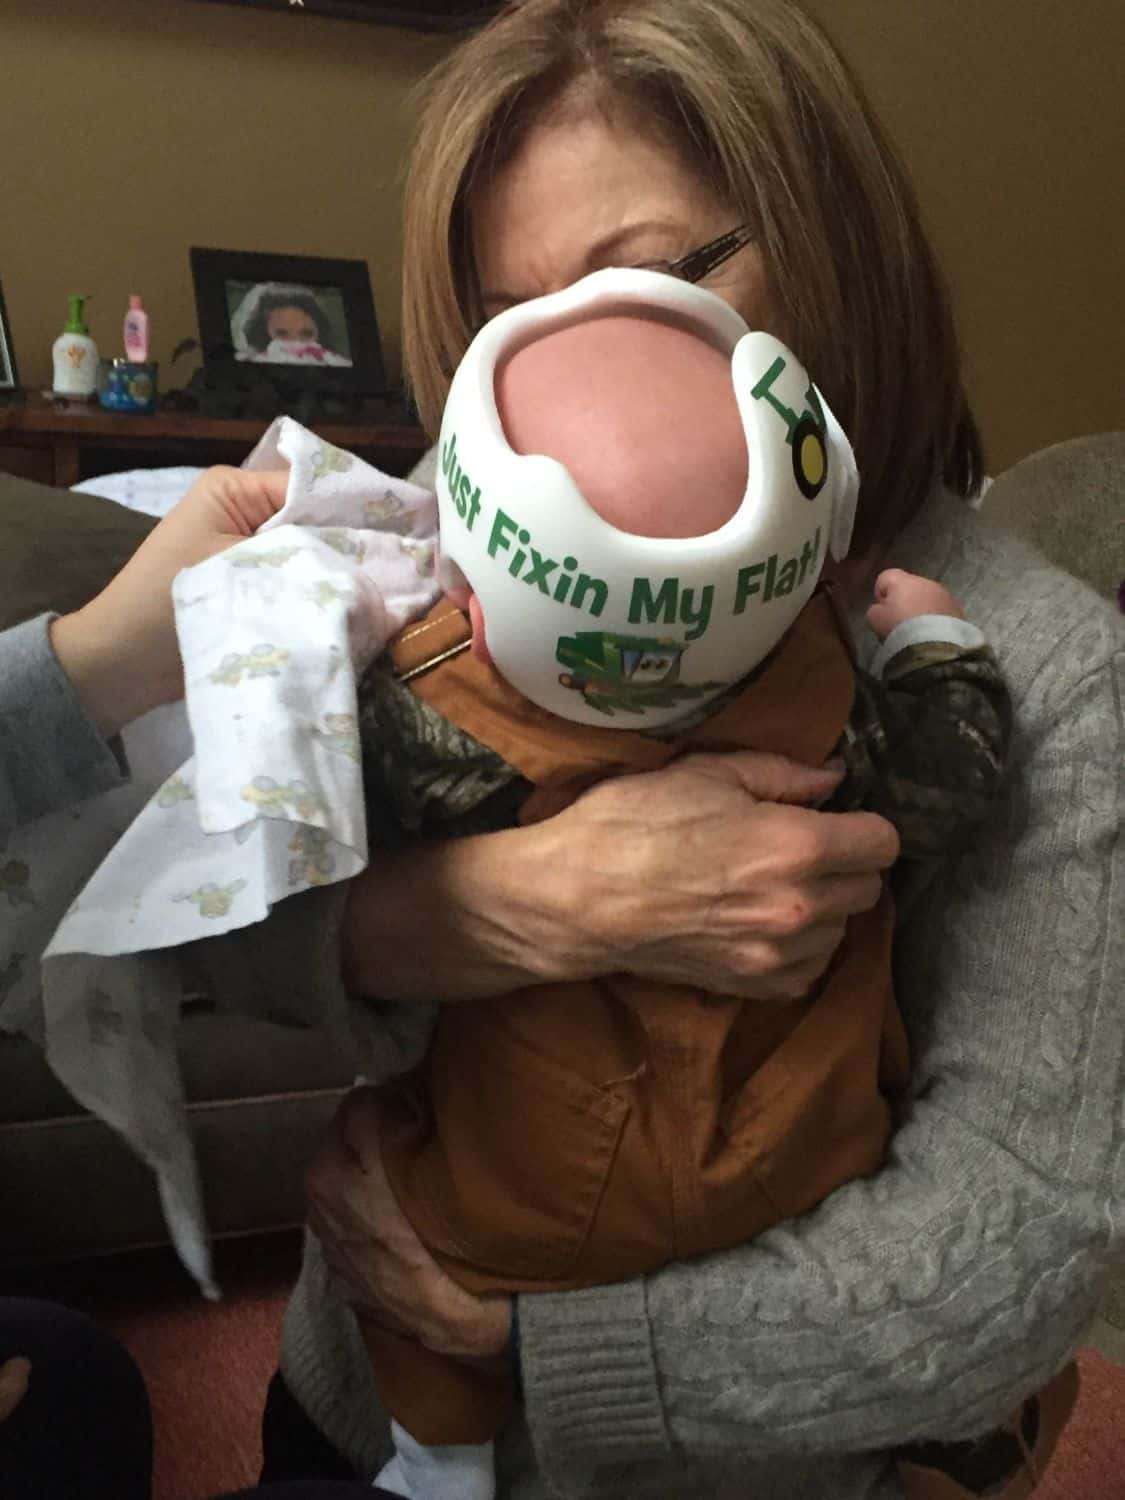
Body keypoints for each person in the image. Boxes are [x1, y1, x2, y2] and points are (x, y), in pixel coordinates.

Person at [281, 2, 1124, 1498]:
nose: (588, 369)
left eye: (660, 280)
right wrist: (509, 905)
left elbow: (1024, 1232)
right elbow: (186, 934)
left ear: (827, 243)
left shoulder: (1030, 664)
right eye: (513, 316)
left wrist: (516, 1340)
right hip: (365, 1401)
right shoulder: (428, 556)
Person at [350, 290, 1010, 1500]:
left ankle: (436, 1463)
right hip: (799, 1170)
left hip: (518, 1199)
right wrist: (936, 650)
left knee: (401, 1217)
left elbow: (312, 835)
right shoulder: (827, 708)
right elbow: (948, 784)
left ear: (474, 598)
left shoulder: (430, 706)